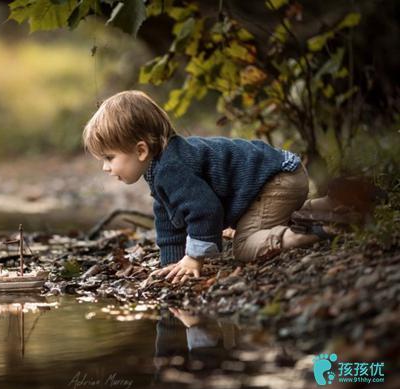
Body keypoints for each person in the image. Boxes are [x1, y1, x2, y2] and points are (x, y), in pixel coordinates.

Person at [82, 90, 335, 283]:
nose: (106, 168)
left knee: (245, 246)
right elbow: (168, 220)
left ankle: (319, 229)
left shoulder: (171, 168)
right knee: (255, 225)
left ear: (140, 150)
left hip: (276, 181)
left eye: (109, 158)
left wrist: (193, 258)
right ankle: (331, 206)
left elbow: (206, 210)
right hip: (278, 176)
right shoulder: (160, 166)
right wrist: (171, 263)